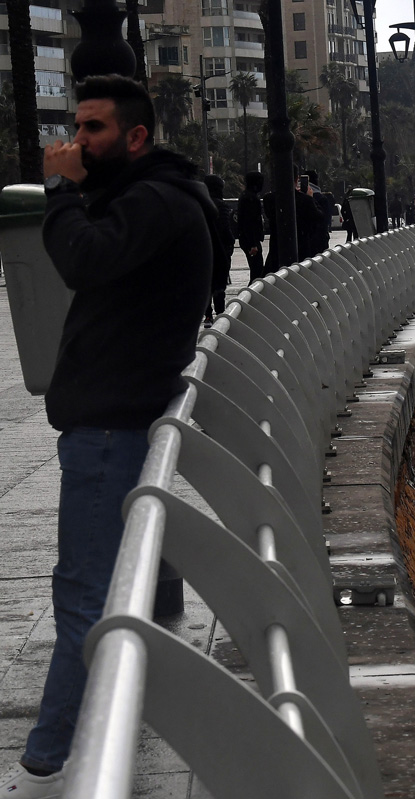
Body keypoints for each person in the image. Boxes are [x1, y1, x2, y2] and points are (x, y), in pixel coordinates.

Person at [0, 74, 214, 798]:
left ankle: (48, 755)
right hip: (118, 416)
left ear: (135, 137)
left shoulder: (153, 201)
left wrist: (58, 194)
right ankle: (137, 679)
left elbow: (84, 258)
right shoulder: (157, 194)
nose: (76, 141)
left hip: (109, 426)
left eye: (92, 128)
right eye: (76, 126)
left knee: (83, 593)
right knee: (118, 572)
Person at [203, 173, 235, 325]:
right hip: (221, 250)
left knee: (207, 284)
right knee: (220, 283)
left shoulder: (201, 204)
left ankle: (208, 315)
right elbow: (226, 229)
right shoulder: (222, 206)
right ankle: (221, 313)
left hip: (205, 249)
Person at [238, 171, 265, 284]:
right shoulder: (251, 199)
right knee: (257, 271)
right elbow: (250, 222)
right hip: (251, 240)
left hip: (247, 239)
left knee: (256, 270)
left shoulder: (245, 196)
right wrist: (253, 243)